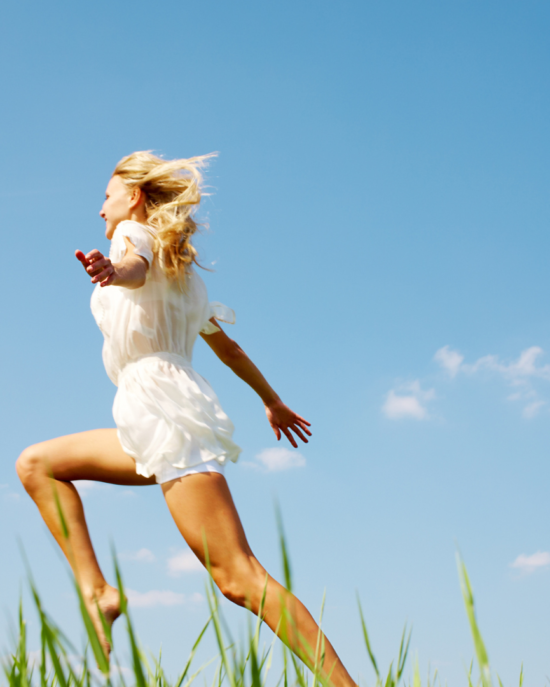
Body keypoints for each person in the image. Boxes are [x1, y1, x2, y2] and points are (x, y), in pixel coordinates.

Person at [16, 151, 356, 687]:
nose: (101, 208)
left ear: (134, 198)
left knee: (239, 577)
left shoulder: (131, 236)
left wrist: (114, 271)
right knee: (37, 464)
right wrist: (271, 401)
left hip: (162, 409)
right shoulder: (184, 279)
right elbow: (230, 350)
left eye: (106, 196)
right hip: (152, 413)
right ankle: (97, 590)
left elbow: (133, 266)